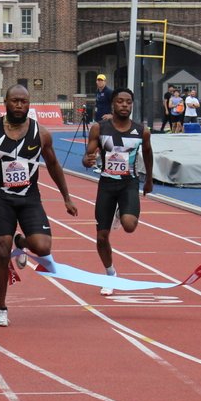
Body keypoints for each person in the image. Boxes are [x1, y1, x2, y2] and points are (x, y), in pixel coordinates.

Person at [0, 83, 77, 327]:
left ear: (29, 104)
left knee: (43, 248)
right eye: (15, 101)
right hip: (1, 197)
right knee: (1, 253)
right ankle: (1, 307)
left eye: (24, 101)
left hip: (29, 197)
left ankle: (20, 242)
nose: (20, 105)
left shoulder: (40, 133)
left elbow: (53, 165)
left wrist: (66, 196)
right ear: (6, 102)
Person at [81, 88, 153, 297]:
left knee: (129, 225)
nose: (124, 105)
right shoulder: (99, 128)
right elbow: (88, 156)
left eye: (128, 102)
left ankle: (122, 212)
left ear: (132, 105)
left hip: (129, 183)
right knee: (102, 237)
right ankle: (110, 274)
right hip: (107, 184)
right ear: (113, 105)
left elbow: (148, 154)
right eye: (120, 102)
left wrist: (148, 179)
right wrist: (87, 160)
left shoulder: (142, 131)